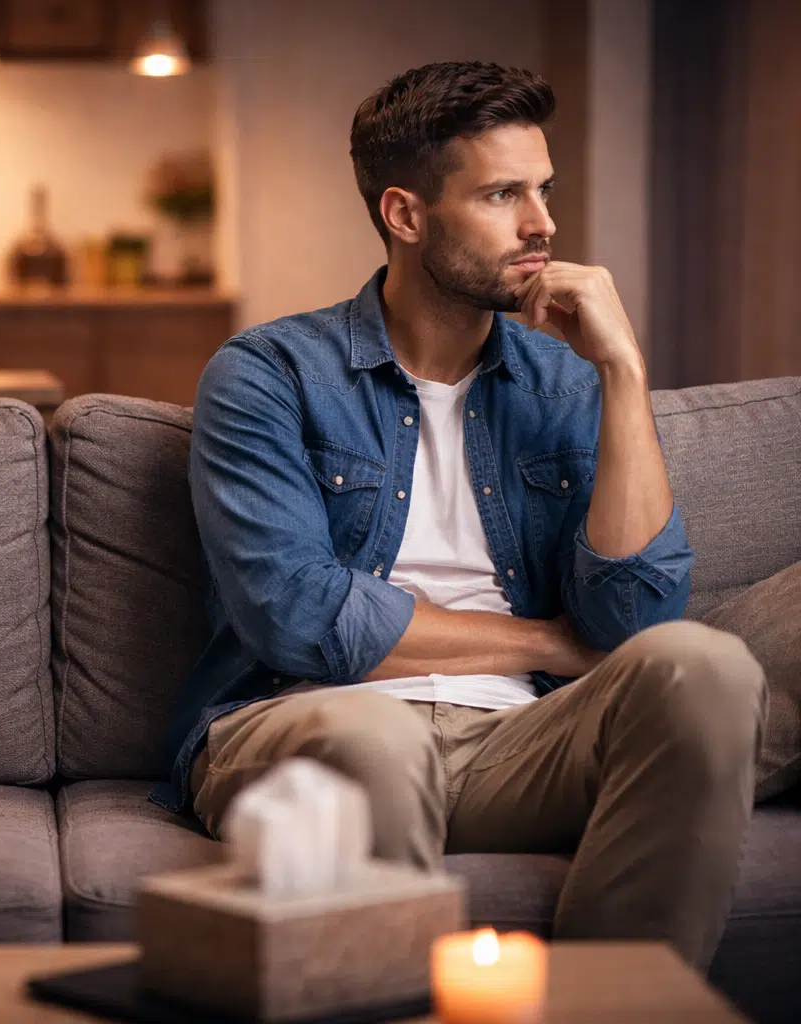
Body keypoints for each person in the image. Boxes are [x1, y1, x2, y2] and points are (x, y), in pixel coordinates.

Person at [152, 62, 765, 970]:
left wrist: (622, 372)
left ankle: (621, 1005)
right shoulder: (270, 374)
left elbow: (635, 622)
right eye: (503, 194)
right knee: (375, 734)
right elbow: (299, 617)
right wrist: (550, 643)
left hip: (516, 742)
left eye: (545, 190)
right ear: (406, 215)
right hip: (313, 721)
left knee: (704, 665)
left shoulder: (564, 381)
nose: (543, 224)